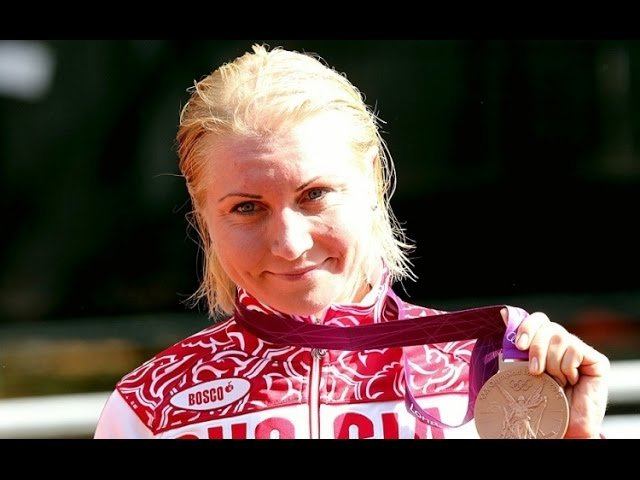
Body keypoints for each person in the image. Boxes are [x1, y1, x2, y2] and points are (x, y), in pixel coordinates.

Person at [94, 44, 610, 439]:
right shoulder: (149, 407)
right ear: (203, 214)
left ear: (374, 184)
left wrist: (577, 433)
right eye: (247, 208)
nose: (290, 244)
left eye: (314, 195)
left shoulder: (496, 374)